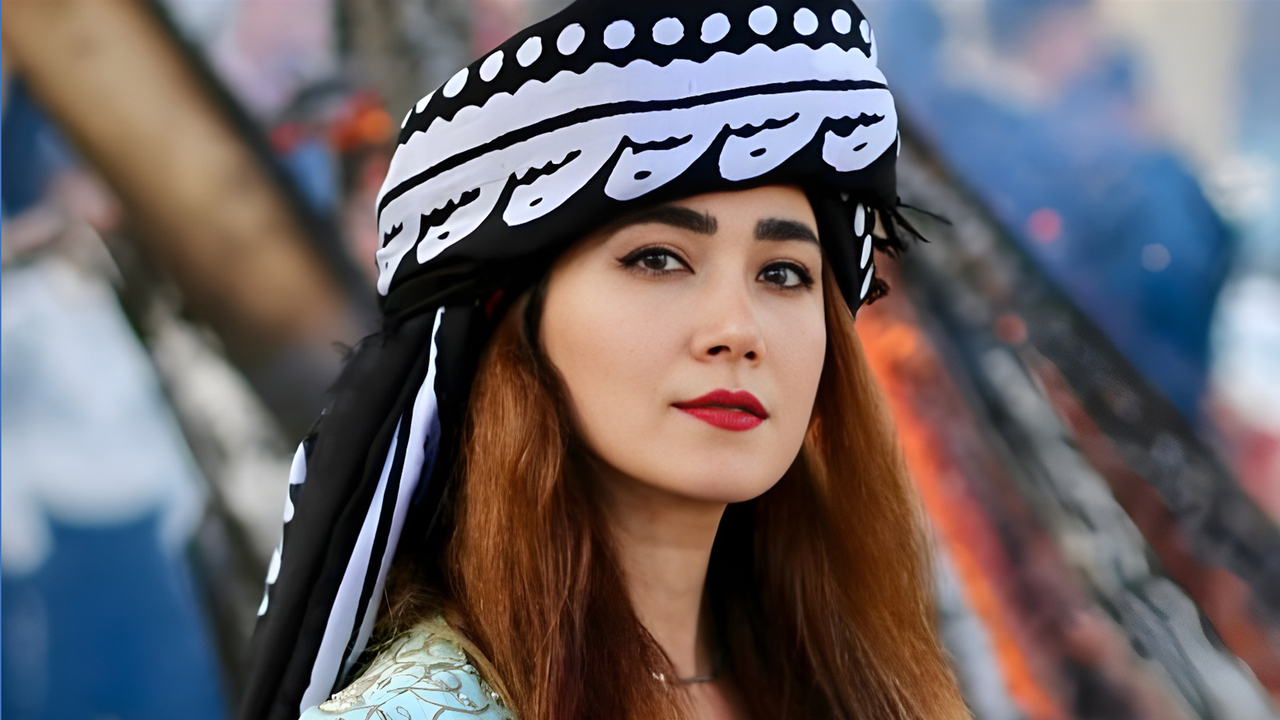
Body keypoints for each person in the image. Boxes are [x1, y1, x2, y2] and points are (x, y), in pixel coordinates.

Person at [241, 2, 970, 719]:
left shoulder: (846, 675)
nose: (737, 330)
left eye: (783, 272)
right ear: (513, 319)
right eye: (658, 258)